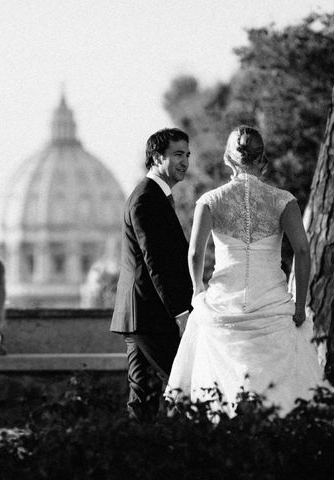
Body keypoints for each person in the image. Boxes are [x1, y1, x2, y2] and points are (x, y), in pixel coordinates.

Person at [166, 125, 328, 416]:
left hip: (224, 304)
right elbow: (303, 252)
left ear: (228, 159)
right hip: (272, 305)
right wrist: (300, 304)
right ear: (262, 158)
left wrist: (198, 292)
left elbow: (194, 254)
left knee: (216, 394)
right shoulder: (283, 200)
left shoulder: (210, 201)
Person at [110, 128, 194, 421]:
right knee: (186, 383)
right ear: (157, 157)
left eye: (187, 155)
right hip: (149, 314)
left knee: (142, 395)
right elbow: (155, 261)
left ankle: (139, 456)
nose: (185, 162)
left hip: (139, 314)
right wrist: (181, 311)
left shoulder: (153, 195)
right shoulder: (147, 198)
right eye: (177, 154)